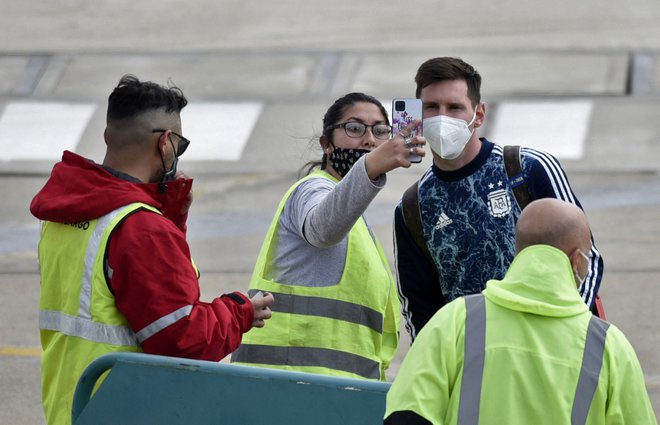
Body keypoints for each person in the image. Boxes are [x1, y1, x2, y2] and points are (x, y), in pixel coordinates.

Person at [30, 75, 274, 425]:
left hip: (72, 404)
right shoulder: (141, 229)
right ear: (166, 144)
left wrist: (169, 215)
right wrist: (240, 312)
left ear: (107, 136)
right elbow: (182, 340)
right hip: (126, 407)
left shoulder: (65, 215)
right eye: (181, 144)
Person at [385, 198, 657, 425]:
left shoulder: (456, 320)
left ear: (520, 251)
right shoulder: (608, 347)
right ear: (576, 259)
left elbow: (407, 415)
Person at [394, 57, 604, 339]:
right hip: (476, 360)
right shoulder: (412, 207)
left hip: (550, 342)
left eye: (455, 107)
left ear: (479, 114)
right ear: (417, 117)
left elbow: (586, 260)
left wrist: (563, 332)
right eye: (432, 107)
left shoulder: (528, 168)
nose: (442, 117)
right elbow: (419, 306)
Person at [231, 92, 425, 381]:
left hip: (334, 390)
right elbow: (321, 229)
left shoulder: (354, 215)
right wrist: (371, 167)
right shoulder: (311, 190)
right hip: (287, 383)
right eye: (355, 128)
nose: (369, 140)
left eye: (380, 131)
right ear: (326, 144)